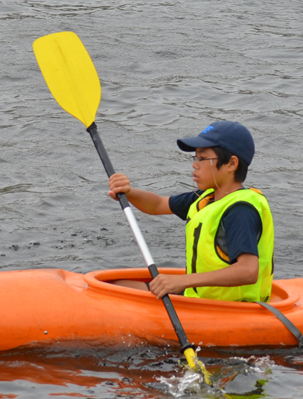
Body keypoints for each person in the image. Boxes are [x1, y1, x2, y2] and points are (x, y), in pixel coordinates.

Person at [107, 121, 274, 302]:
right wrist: (129, 192)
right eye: (195, 158)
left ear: (231, 164)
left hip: (231, 309)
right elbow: (157, 205)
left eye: (202, 159)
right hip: (200, 298)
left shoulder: (240, 210)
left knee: (117, 292)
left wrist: (183, 281)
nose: (195, 165)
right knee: (116, 285)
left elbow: (248, 271)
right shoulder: (206, 198)